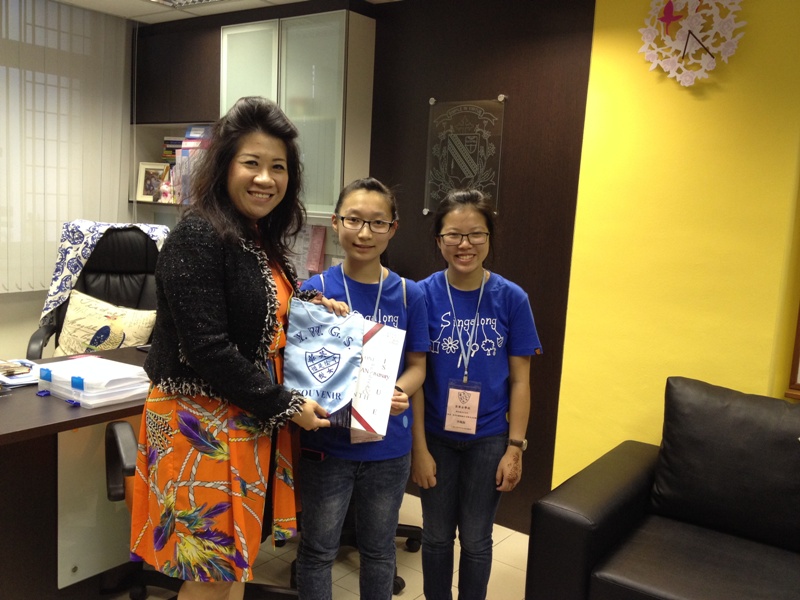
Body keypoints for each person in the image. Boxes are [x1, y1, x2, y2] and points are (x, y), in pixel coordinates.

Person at [129, 96, 347, 600]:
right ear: (226, 165)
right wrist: (287, 405)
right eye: (252, 163)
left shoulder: (255, 237)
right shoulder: (198, 235)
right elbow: (207, 348)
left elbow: (255, 306)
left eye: (279, 167)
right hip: (199, 426)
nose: (265, 178)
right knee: (208, 577)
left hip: (243, 421)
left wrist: (310, 304)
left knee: (233, 567)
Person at [295, 177, 429, 600]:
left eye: (377, 222)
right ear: (336, 223)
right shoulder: (315, 291)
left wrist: (399, 391)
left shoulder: (408, 294)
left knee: (379, 551)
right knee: (317, 551)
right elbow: (298, 369)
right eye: (354, 220)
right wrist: (316, 316)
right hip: (328, 447)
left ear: (393, 228)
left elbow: (418, 367)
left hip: (387, 449)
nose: (365, 233)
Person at [411, 188, 542, 600]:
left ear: (489, 238)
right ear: (439, 240)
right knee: (435, 536)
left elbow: (521, 381)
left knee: (476, 538)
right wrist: (419, 448)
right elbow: (415, 376)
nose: (464, 244)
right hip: (435, 437)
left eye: (476, 234)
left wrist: (515, 448)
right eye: (453, 234)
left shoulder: (512, 298)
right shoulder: (421, 295)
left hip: (489, 439)